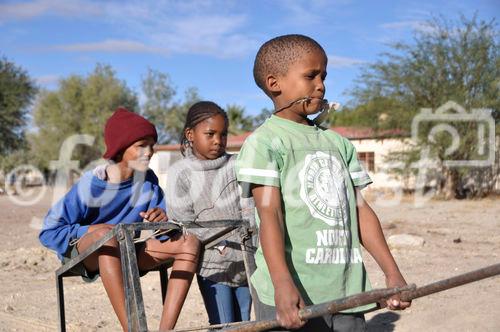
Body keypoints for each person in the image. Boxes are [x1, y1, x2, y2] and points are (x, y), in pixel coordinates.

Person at [236, 34, 411, 331]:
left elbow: (360, 211)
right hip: (292, 292)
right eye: (310, 76)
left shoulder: (337, 143)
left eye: (324, 76)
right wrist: (282, 284)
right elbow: (270, 215)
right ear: (274, 83)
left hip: (346, 289)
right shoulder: (265, 143)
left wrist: (392, 273)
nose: (321, 85)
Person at [39, 107, 200, 331]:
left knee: (189, 242)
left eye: (152, 145)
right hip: (86, 254)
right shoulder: (90, 186)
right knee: (107, 237)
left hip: (125, 249)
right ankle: (133, 329)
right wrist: (90, 230)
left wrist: (163, 220)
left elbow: (169, 230)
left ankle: (166, 329)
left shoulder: (148, 181)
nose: (150, 151)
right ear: (120, 149)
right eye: (141, 145)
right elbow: (48, 231)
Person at [166, 101, 254, 325]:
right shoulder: (181, 173)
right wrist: (218, 243)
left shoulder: (237, 165)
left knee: (245, 322)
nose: (218, 140)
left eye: (223, 134)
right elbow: (183, 221)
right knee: (223, 322)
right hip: (212, 264)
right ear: (190, 134)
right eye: (210, 133)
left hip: (246, 259)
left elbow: (250, 206)